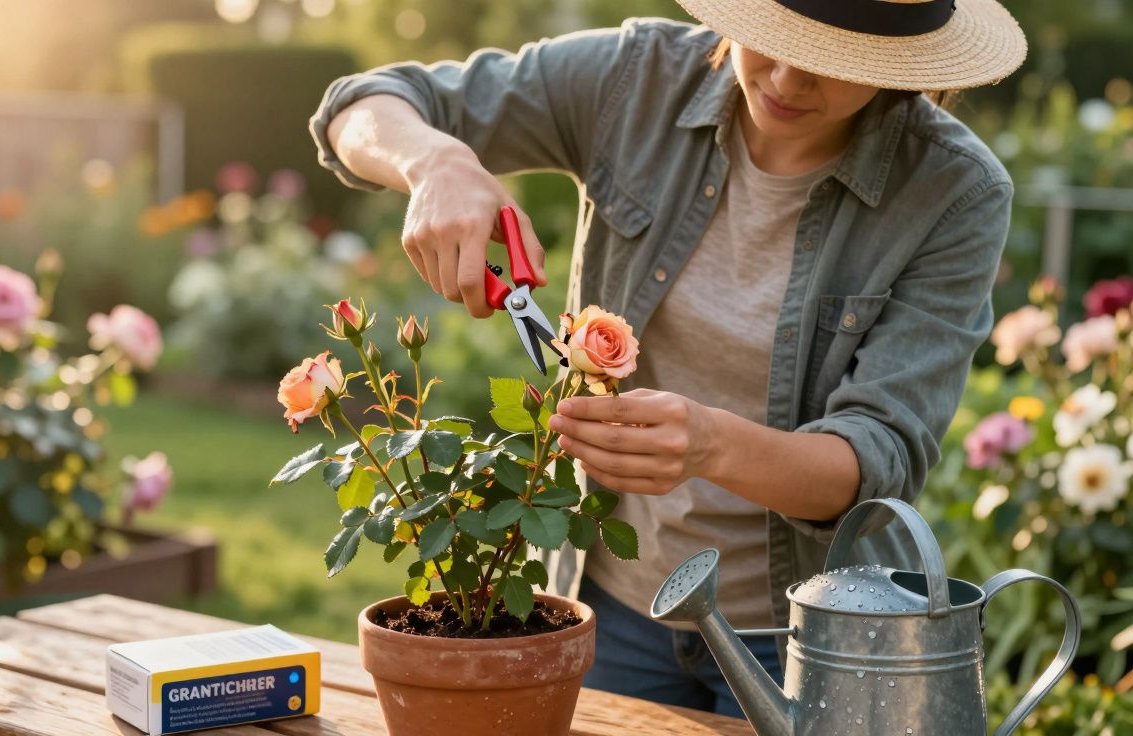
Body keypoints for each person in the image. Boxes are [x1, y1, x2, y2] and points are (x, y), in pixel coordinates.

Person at [310, 0, 1027, 719]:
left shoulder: (954, 190)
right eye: (772, 39)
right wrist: (435, 161)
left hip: (802, 639)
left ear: (897, 64)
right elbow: (359, 106)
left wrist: (712, 445)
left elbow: (877, 459)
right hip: (608, 608)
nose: (785, 78)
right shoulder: (636, 80)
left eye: (831, 60)